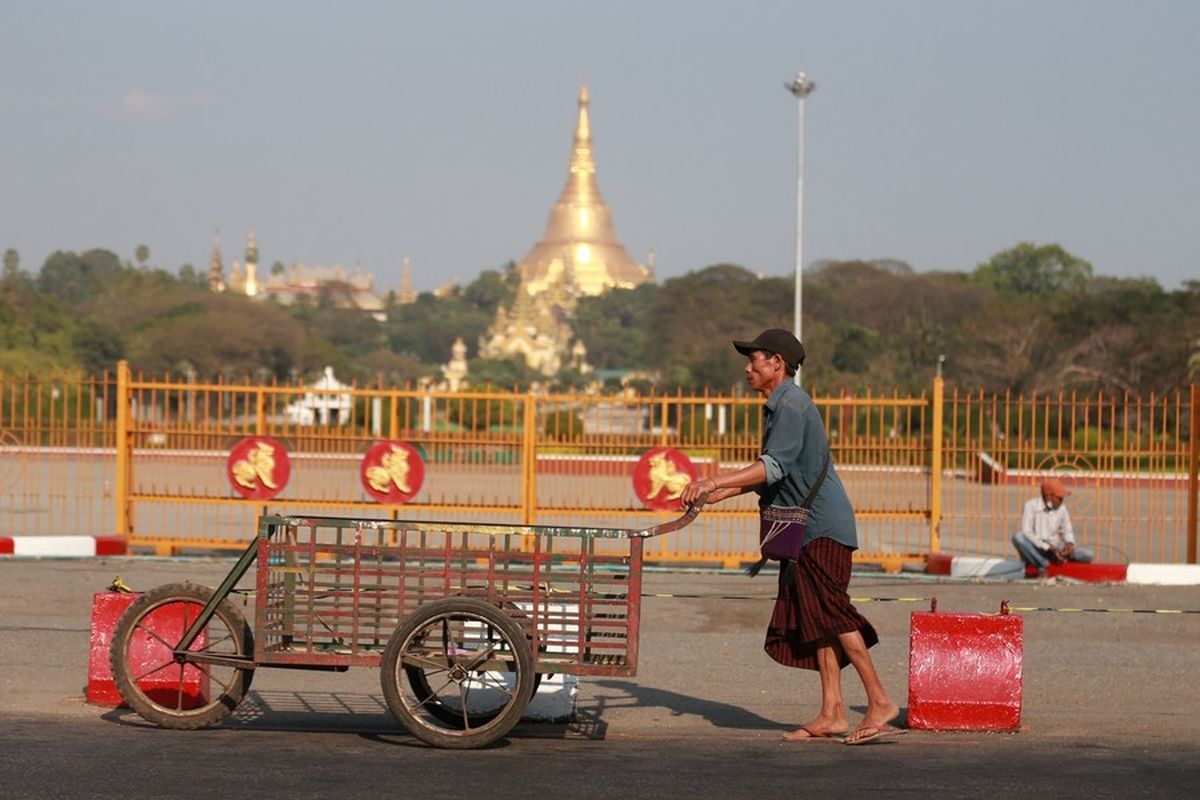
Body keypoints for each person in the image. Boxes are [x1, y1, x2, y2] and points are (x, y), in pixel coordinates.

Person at [680, 329, 903, 746]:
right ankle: (832, 712)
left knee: (832, 613)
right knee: (816, 620)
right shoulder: (778, 405)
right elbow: (767, 474)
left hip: (822, 528)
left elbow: (773, 467)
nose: (748, 368)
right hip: (806, 531)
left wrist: (712, 481)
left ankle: (879, 700)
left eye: (755, 360)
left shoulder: (793, 405)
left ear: (777, 363)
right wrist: (713, 495)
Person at [1011, 478, 1094, 576]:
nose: (1062, 500)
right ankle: (1044, 566)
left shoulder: (1062, 509)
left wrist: (1069, 544)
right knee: (1018, 537)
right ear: (1048, 496)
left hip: (1055, 549)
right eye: (1059, 497)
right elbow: (1027, 533)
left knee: (1088, 554)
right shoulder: (1030, 506)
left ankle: (1060, 560)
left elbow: (1067, 530)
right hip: (1037, 549)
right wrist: (1048, 548)